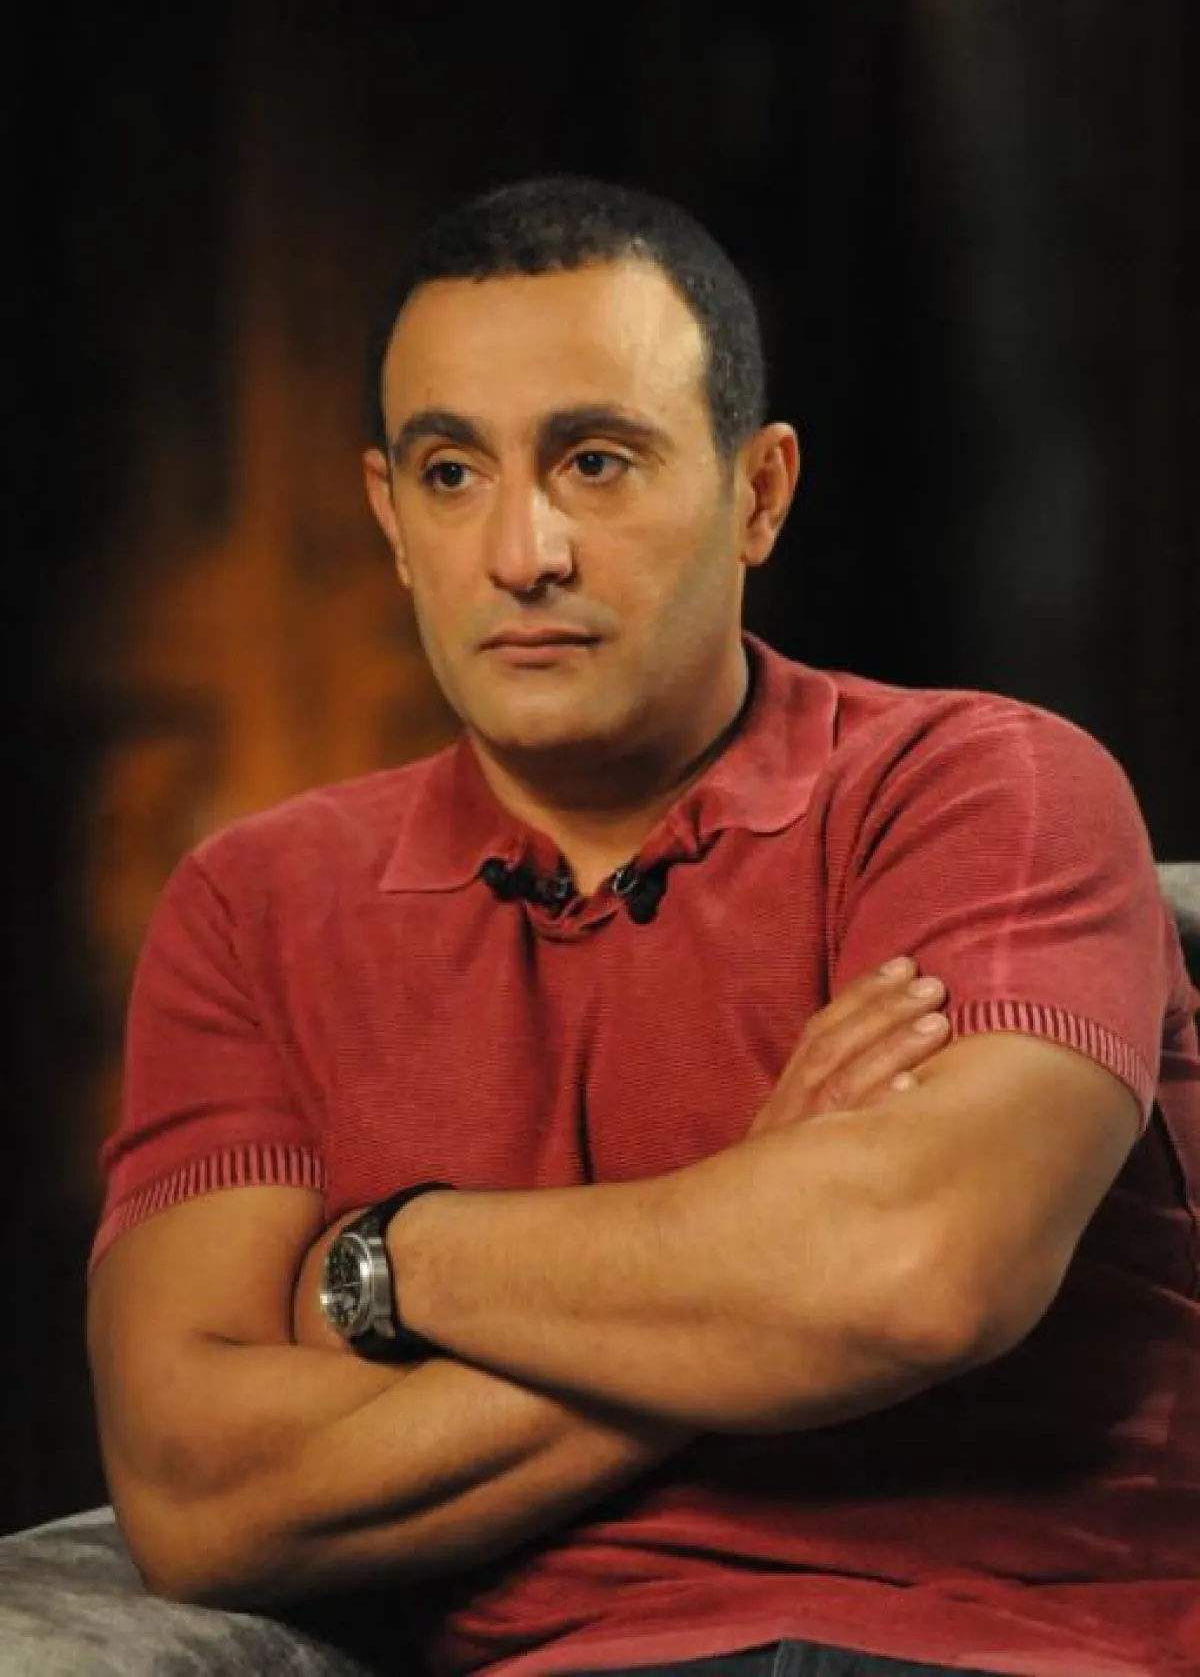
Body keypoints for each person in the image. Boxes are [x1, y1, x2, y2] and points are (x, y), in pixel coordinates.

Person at [87, 177, 1200, 1677]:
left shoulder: (987, 787)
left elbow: (914, 1277)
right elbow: (198, 1492)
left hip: (1027, 1652)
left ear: (760, 493)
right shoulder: (253, 904)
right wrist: (756, 1237)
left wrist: (390, 1257)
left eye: (595, 461)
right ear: (391, 517)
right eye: (451, 473)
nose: (523, 550)